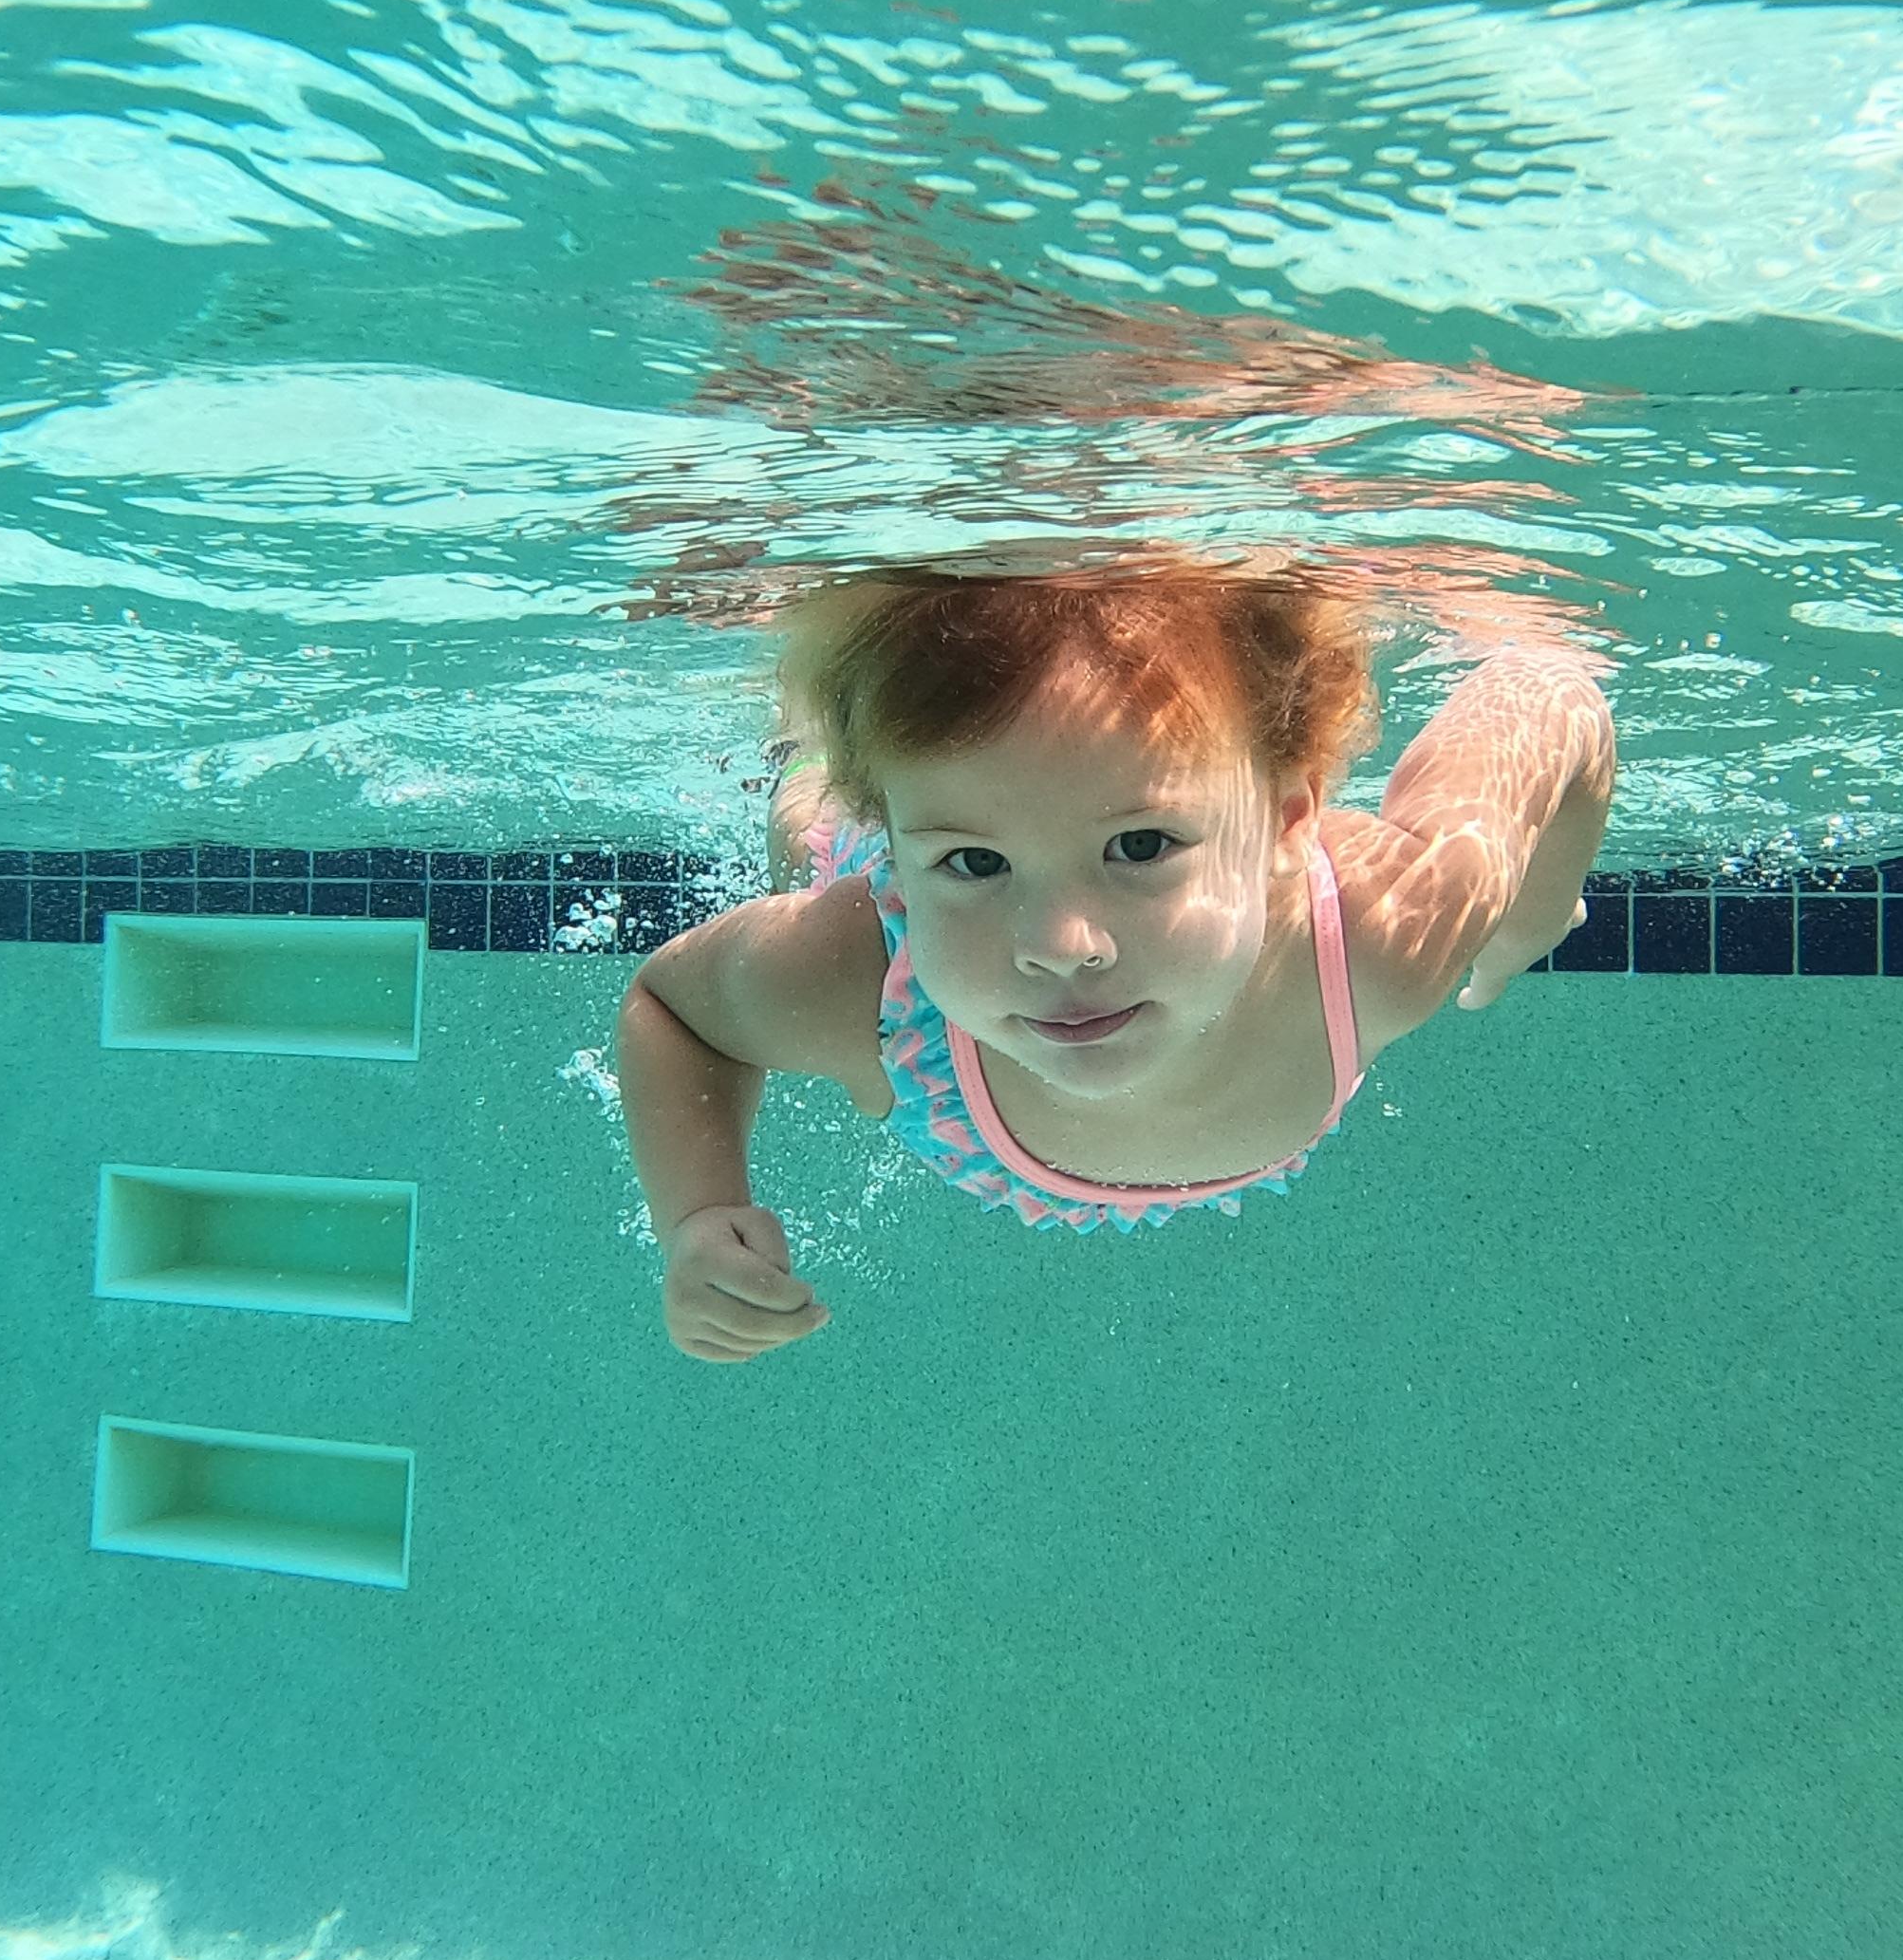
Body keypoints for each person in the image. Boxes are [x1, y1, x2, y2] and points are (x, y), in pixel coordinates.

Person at [616, 555, 1616, 1360]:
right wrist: (699, 1212)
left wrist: (1527, 909)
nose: (1061, 947)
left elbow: (1545, 691)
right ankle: (809, 765)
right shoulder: (868, 983)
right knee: (810, 831)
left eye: (1140, 846)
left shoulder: (1383, 938)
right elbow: (672, 1009)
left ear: (1288, 819)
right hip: (902, 936)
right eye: (975, 862)